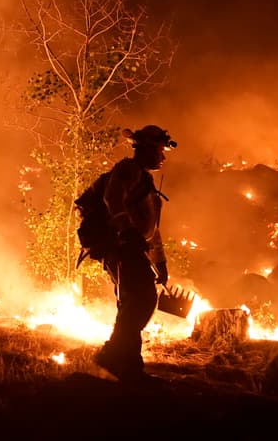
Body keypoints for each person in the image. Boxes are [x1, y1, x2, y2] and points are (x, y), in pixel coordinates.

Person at [93, 124, 175, 381]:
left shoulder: (143, 178)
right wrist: (126, 231)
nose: (162, 157)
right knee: (141, 301)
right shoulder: (127, 170)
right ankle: (112, 354)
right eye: (159, 151)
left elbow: (151, 228)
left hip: (136, 249)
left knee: (133, 305)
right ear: (146, 150)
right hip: (123, 248)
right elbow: (112, 198)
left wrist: (160, 262)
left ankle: (130, 368)